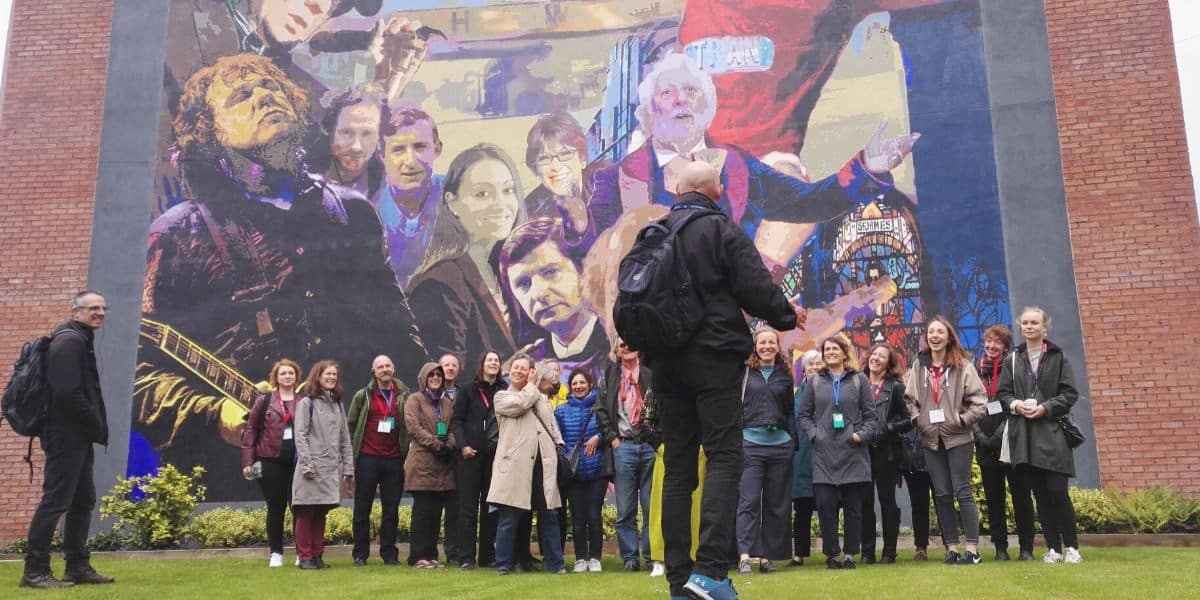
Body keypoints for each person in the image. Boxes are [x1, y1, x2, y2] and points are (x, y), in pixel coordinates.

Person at [135, 55, 426, 500]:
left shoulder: (352, 211)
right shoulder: (178, 234)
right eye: (241, 95)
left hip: (355, 460)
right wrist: (216, 413)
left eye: (269, 86)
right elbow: (136, 373)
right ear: (208, 131)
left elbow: (401, 339)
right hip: (241, 477)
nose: (263, 95)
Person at [641, 161, 804, 600]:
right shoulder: (720, 231)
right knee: (725, 457)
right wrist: (788, 316)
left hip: (665, 365)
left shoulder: (653, 234)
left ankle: (678, 580)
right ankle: (709, 571)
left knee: (677, 470)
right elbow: (756, 288)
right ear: (716, 191)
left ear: (676, 190)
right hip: (713, 360)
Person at [21, 291, 113, 589]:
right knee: (56, 500)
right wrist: (94, 421)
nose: (99, 312)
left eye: (103, 308)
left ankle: (77, 566)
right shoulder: (69, 341)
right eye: (92, 308)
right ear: (76, 312)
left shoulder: (79, 339)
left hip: (77, 434)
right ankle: (35, 571)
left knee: (82, 500)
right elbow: (66, 392)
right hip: (65, 434)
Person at [408, 144, 528, 363]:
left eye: (508, 190)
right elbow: (446, 385)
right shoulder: (438, 285)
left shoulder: (509, 272)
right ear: (452, 203)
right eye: (483, 194)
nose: (500, 204)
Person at [997, 307, 1083, 564]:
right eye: (1025, 323)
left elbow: (1069, 394)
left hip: (1053, 432)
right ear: (1020, 327)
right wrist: (1016, 405)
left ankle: (1072, 548)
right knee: (1040, 496)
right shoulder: (1012, 359)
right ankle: (1053, 549)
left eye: (1035, 322)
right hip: (1024, 435)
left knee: (1057, 490)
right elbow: (1003, 393)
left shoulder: (1058, 357)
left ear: (1045, 327)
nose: (1030, 326)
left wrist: (1045, 407)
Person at [903, 316, 987, 565]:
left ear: (949, 336)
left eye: (940, 332)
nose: (935, 336)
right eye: (931, 332)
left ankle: (971, 549)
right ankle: (951, 547)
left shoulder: (962, 364)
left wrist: (962, 421)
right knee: (941, 494)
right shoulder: (920, 365)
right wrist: (919, 420)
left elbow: (980, 401)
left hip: (959, 437)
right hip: (931, 439)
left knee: (963, 492)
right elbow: (909, 399)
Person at [500, 218, 610, 390]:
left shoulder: (621, 347)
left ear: (582, 270)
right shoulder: (522, 370)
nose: (538, 293)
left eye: (550, 272)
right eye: (523, 284)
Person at [798, 334, 878, 570]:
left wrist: (860, 435)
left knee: (853, 508)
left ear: (845, 353)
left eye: (835, 349)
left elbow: (872, 417)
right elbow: (803, 414)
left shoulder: (859, 380)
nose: (831, 352)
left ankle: (851, 554)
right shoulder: (814, 381)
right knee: (825, 506)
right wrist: (815, 435)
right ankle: (832, 555)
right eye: (827, 349)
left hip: (853, 452)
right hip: (824, 454)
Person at [488, 357, 566, 576]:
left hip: (543, 465)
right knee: (509, 518)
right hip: (515, 467)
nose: (519, 371)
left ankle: (556, 564)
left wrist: (558, 444)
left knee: (549, 516)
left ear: (532, 371)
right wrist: (532, 384)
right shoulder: (502, 397)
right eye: (516, 368)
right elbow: (521, 404)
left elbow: (551, 424)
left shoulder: (539, 397)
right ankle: (503, 564)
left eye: (524, 368)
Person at [735, 326, 795, 575]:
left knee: (775, 504)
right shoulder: (745, 372)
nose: (767, 346)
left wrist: (792, 441)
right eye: (763, 343)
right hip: (751, 445)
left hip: (780, 447)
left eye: (772, 342)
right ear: (755, 346)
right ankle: (745, 556)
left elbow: (790, 411)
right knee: (748, 502)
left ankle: (766, 558)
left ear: (778, 347)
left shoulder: (785, 374)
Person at [973, 325, 1036, 561]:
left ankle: (1026, 548)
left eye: (997, 342)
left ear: (1005, 346)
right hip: (985, 444)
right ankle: (1000, 548)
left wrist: (998, 434)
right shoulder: (977, 370)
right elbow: (968, 404)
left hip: (1011, 440)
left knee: (1021, 497)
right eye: (988, 341)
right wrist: (980, 436)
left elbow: (1015, 402)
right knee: (994, 500)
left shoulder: (1014, 366)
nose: (991, 346)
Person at [596, 338, 660, 573]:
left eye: (631, 343)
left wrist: (657, 440)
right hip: (623, 446)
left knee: (651, 506)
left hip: (649, 447)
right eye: (622, 345)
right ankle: (630, 558)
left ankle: (653, 556)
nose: (627, 347)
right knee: (625, 509)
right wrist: (613, 440)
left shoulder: (650, 374)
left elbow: (662, 406)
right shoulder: (610, 375)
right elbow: (601, 410)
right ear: (617, 351)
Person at [522, 111, 620, 263]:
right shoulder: (530, 213)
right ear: (536, 170)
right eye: (545, 158)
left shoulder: (608, 181)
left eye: (565, 154)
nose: (556, 166)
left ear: (582, 159)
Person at [241, 358, 304, 568]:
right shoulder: (265, 400)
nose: (287, 376)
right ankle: (275, 553)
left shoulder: (303, 400)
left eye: (291, 373)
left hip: (297, 462)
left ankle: (301, 553)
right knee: (275, 507)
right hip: (268, 462)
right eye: (283, 373)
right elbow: (251, 430)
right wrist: (248, 461)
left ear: (296, 377)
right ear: (276, 377)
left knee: (298, 507)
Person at [347, 355, 409, 567]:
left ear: (394, 368)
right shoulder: (362, 396)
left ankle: (389, 554)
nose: (385, 369)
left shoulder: (404, 395)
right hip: (368, 459)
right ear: (373, 371)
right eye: (380, 367)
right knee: (362, 509)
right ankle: (360, 554)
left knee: (391, 511)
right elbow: (351, 425)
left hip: (394, 460)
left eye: (388, 366)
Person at [292, 360, 354, 570]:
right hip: (311, 469)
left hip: (330, 469)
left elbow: (345, 438)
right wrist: (307, 466)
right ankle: (305, 557)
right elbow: (300, 436)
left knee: (321, 512)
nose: (331, 378)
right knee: (306, 512)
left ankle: (317, 556)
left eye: (334, 375)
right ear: (317, 376)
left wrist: (348, 468)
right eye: (328, 374)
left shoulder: (338, 404)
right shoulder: (306, 403)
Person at [375, 107, 446, 287]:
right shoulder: (369, 209)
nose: (410, 160)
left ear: (437, 149)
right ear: (382, 155)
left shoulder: (455, 193)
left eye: (420, 147)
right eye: (398, 149)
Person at [860, 343, 914, 564]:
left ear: (888, 362)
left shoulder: (896, 387)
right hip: (861, 451)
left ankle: (890, 551)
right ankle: (867, 552)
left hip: (887, 451)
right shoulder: (858, 383)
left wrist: (891, 427)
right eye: (874, 354)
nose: (876, 358)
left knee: (887, 501)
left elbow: (909, 419)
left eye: (882, 356)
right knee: (864, 502)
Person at [452, 350, 506, 570]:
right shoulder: (467, 390)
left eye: (496, 360)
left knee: (490, 509)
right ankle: (465, 557)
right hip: (470, 456)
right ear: (482, 365)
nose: (493, 363)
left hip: (495, 457)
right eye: (489, 360)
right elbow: (456, 421)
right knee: (467, 509)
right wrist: (463, 445)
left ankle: (487, 556)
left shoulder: (505, 390)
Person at [405, 362, 460, 568]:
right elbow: (414, 428)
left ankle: (431, 554)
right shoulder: (414, 399)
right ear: (423, 378)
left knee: (436, 512)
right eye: (431, 375)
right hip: (422, 462)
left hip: (443, 465)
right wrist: (436, 443)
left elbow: (454, 426)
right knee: (422, 512)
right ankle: (418, 556)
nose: (436, 378)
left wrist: (450, 443)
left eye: (439, 375)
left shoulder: (446, 402)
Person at [554, 369, 610, 572]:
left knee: (594, 515)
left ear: (590, 384)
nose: (578, 386)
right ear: (570, 386)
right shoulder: (560, 411)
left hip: (597, 471)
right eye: (574, 383)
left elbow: (610, 430)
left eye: (582, 383)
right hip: (573, 473)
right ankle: (579, 559)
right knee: (577, 517)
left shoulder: (600, 408)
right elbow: (556, 438)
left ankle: (595, 558)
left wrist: (600, 438)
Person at [322, 83, 386, 199]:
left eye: (367, 134)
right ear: (330, 130)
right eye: (346, 132)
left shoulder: (388, 187)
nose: (356, 147)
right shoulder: (303, 170)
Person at [788, 350, 822, 568]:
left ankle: (832, 551)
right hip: (801, 456)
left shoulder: (831, 390)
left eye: (819, 363)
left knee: (830, 505)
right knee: (802, 508)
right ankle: (799, 554)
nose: (815, 367)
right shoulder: (795, 395)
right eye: (811, 364)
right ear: (804, 369)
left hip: (827, 455)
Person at [902, 424, 933, 561]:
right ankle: (921, 546)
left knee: (943, 501)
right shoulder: (905, 403)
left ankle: (949, 545)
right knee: (918, 504)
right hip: (912, 455)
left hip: (936, 452)